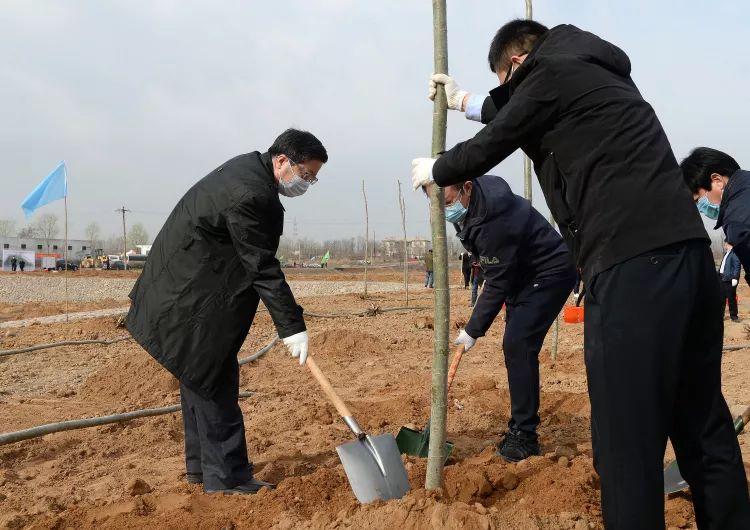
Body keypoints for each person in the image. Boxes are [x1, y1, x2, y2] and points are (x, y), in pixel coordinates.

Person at [413, 19, 749, 529]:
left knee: (624, 443)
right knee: (703, 426)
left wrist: (438, 169)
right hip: (689, 263)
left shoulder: (548, 73)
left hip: (632, 267)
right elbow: (517, 111)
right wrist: (464, 102)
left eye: (506, 82)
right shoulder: (593, 72)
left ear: (519, 65)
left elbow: (500, 135)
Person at [126, 128, 327, 496]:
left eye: (313, 178)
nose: (308, 183)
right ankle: (228, 477)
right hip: (188, 297)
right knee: (213, 376)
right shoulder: (250, 193)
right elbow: (261, 265)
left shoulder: (248, 173)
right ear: (283, 161)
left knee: (198, 374)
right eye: (307, 174)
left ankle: (201, 468)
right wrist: (292, 326)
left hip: (187, 288)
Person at [432, 176, 575, 460]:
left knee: (518, 344)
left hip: (549, 273)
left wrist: (473, 330)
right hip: (521, 277)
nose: (446, 211)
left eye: (447, 202)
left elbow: (496, 281)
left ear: (467, 188)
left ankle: (525, 435)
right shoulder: (476, 203)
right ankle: (520, 426)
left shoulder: (494, 219)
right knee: (516, 347)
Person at [718, 242, 741, 322]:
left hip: (729, 279)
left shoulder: (734, 253)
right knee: (721, 298)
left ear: (729, 244)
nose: (724, 245)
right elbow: (723, 266)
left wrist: (735, 277)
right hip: (721, 278)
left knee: (731, 298)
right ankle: (720, 315)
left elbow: (737, 265)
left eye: (725, 243)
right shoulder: (726, 253)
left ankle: (734, 316)